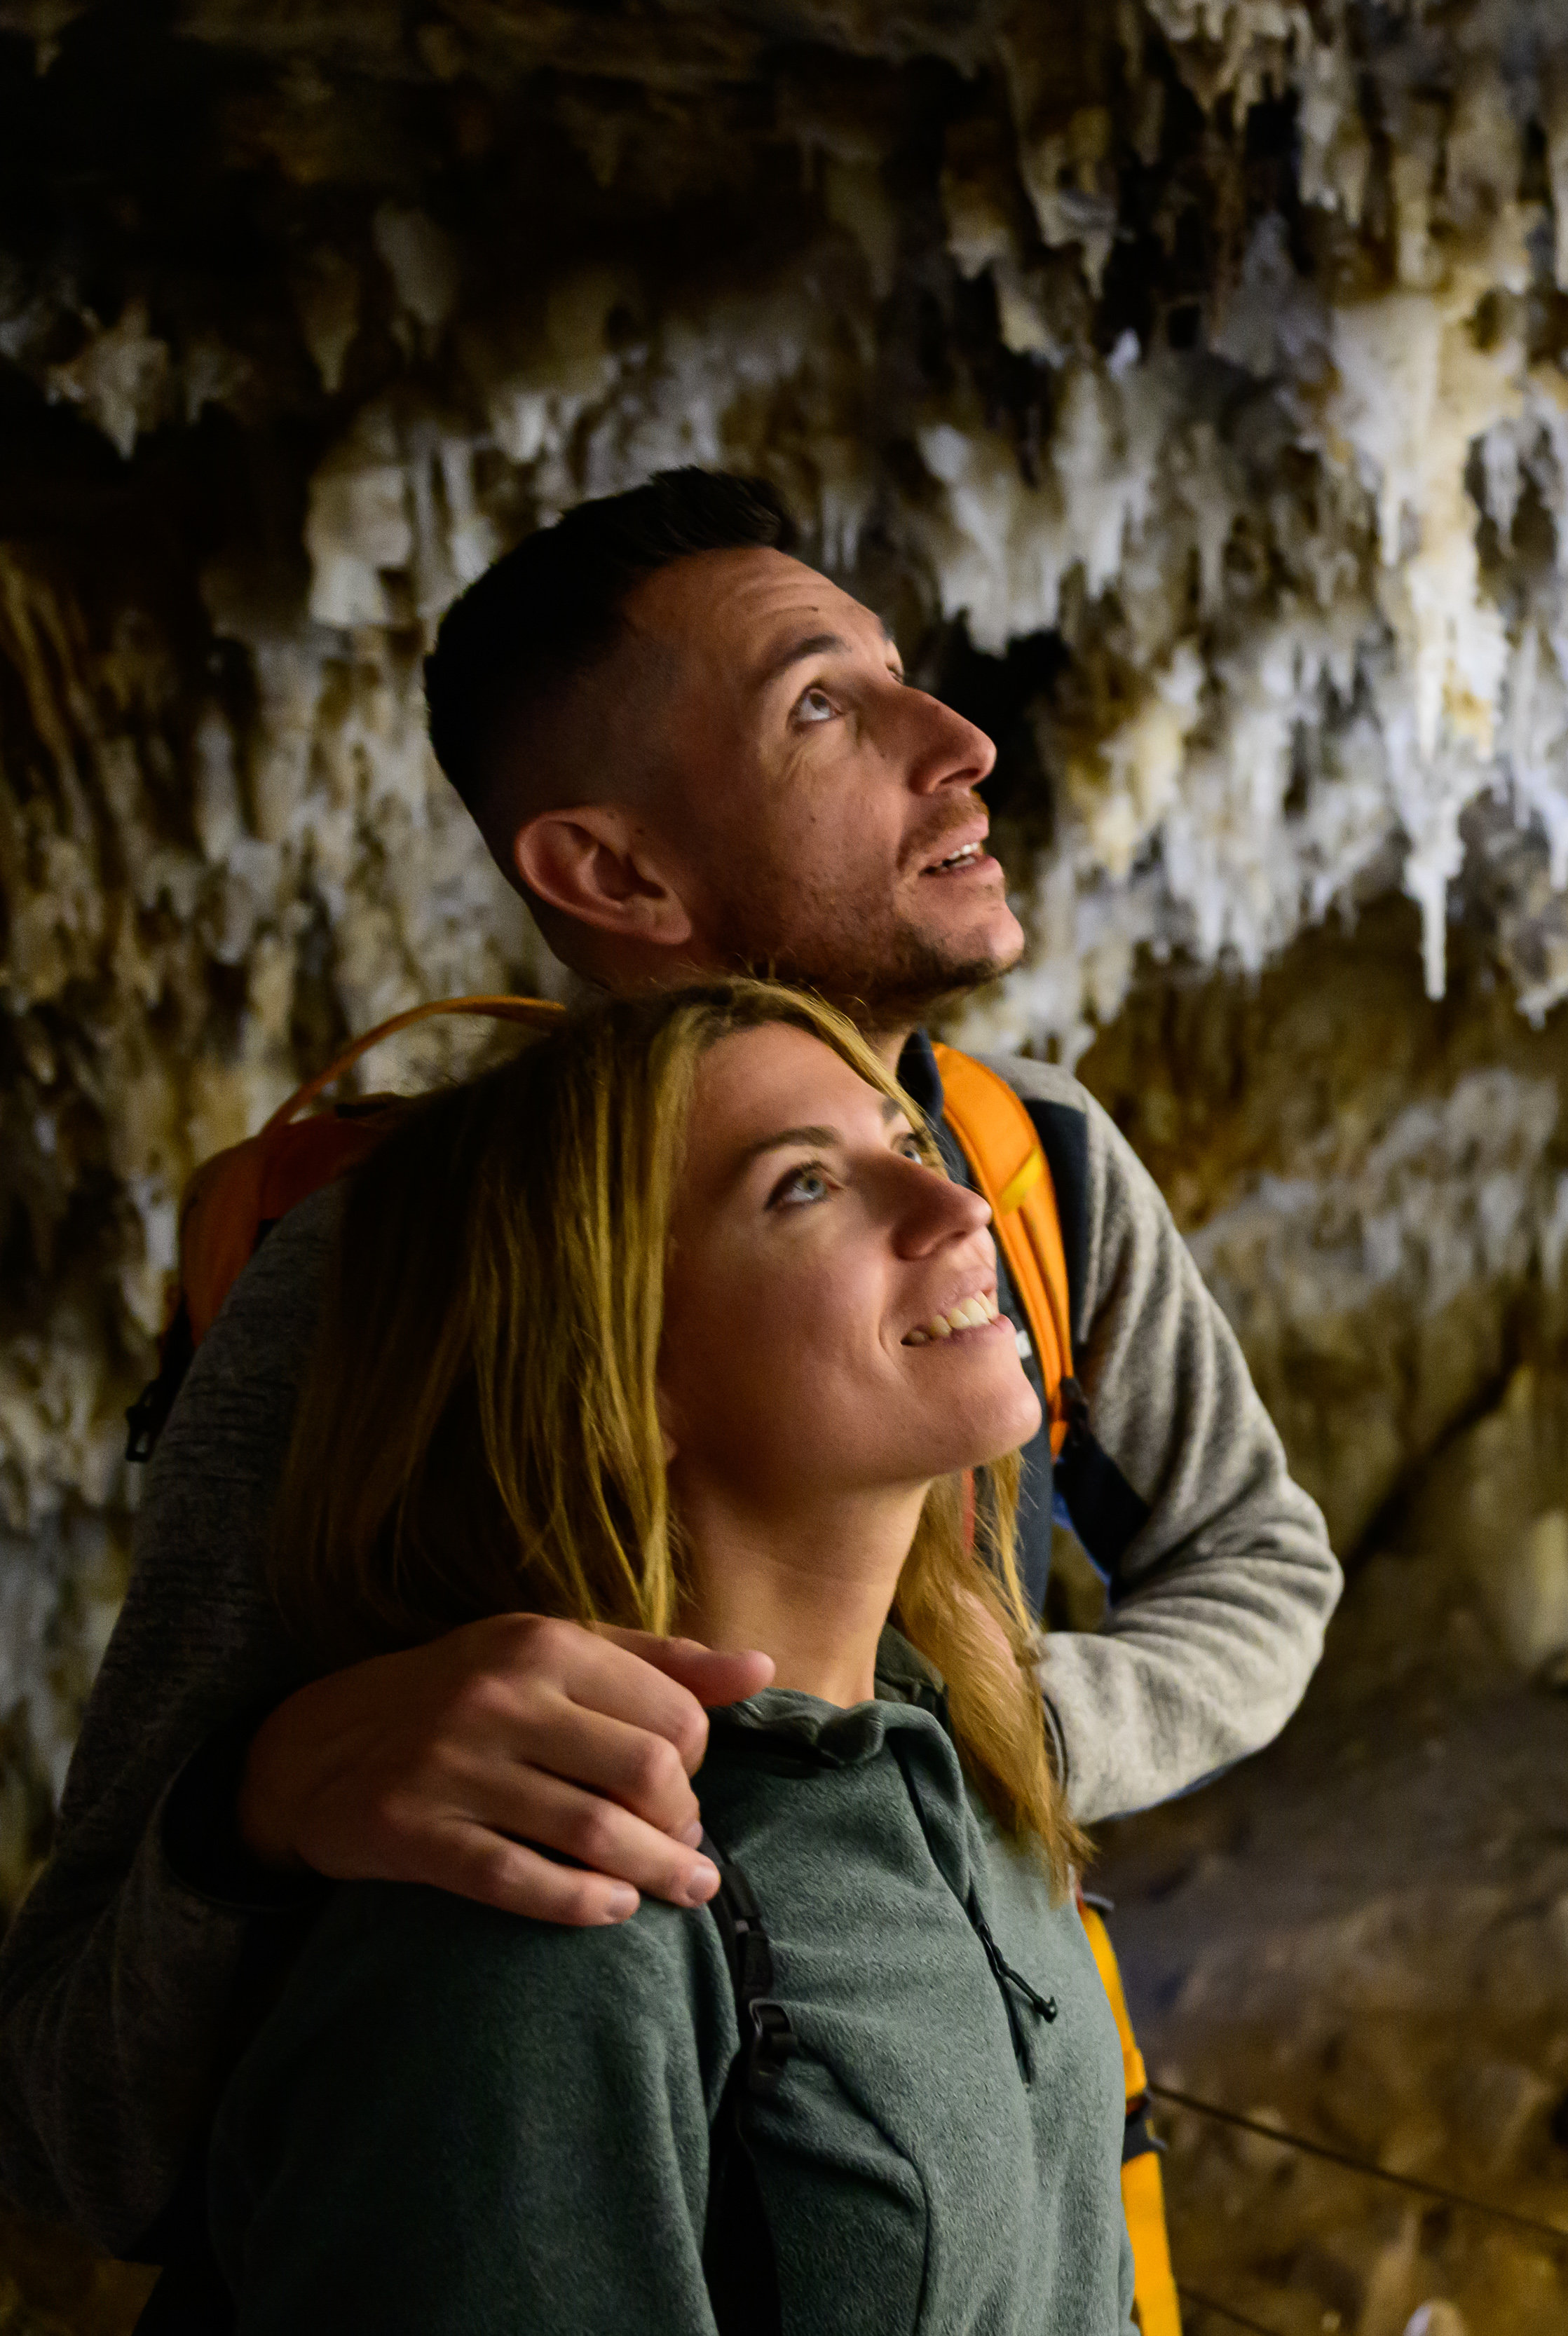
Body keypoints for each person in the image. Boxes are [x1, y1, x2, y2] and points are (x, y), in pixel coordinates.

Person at [0, 470, 1339, 2255]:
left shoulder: (1033, 1165)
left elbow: (1259, 1561)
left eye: (901, 673)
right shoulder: (393, 1267)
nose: (957, 743)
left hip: (974, 2109)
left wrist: (960, 1741)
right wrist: (265, 1798)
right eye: (821, 705)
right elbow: (68, 2122)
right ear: (613, 867)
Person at [213, 978, 1126, 2329]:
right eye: (806, 1188)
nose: (960, 1209)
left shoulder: (962, 1756)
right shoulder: (545, 1924)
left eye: (907, 1145)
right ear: (623, 1373)